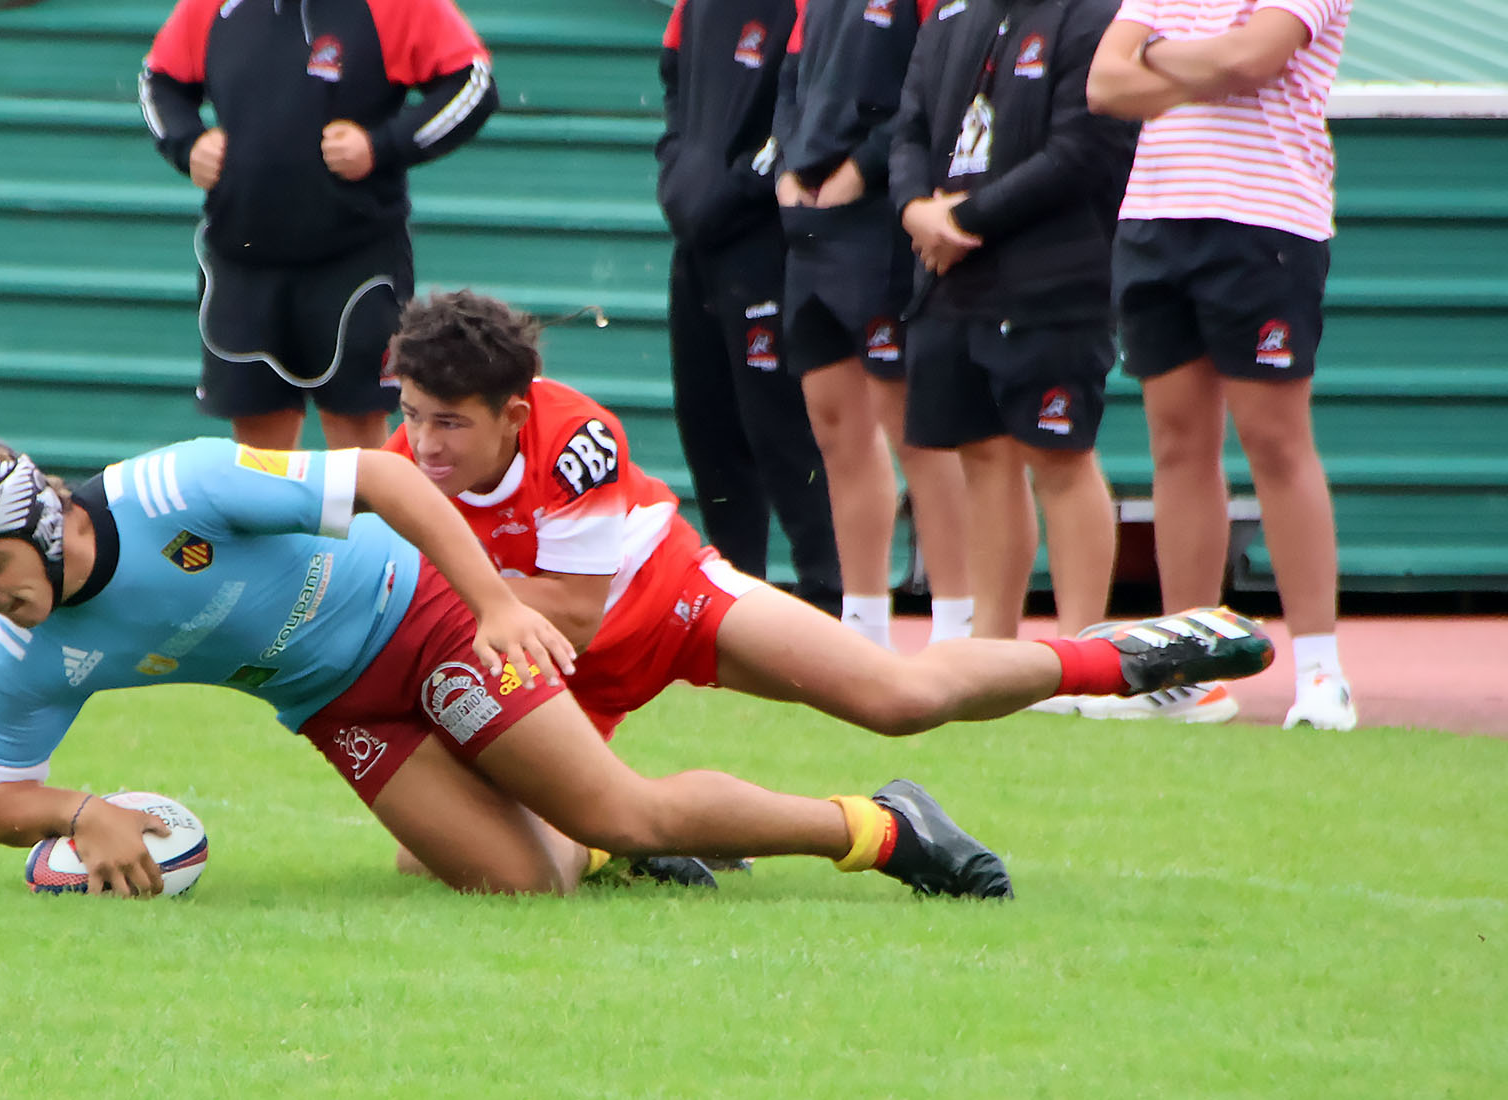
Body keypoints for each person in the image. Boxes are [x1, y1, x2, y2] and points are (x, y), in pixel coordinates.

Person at [0, 431, 1265, 900]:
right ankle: (615, 854)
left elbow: (382, 473)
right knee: (520, 881)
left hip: (423, 625)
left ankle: (874, 827)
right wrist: (79, 810)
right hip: (330, 707)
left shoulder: (177, 489)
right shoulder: (29, 650)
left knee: (616, 802)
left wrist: (489, 599)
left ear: (44, 519)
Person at [381, 290, 1271, 748]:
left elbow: (573, 610)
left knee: (899, 699)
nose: (422, 444)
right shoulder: (398, 465)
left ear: (514, 411)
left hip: (668, 602)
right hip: (562, 670)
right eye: (413, 414)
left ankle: (1132, 654)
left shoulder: (574, 432)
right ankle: (644, 844)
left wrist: (435, 585)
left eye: (448, 422)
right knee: (458, 860)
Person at [1084, 0, 1356, 730]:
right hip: (1155, 221)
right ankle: (1188, 669)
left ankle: (1322, 672)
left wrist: (1162, 53)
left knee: (1275, 442)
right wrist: (1202, 62)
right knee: (1176, 444)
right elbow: (1105, 85)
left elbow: (1249, 60)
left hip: (1268, 222)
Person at [887, 0, 1140, 654]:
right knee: (983, 457)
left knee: (1060, 456)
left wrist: (967, 218)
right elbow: (908, 129)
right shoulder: (949, 17)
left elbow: (1084, 148)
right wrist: (916, 209)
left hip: (1051, 281)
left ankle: (1080, 649)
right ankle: (993, 653)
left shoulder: (1093, 16)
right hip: (951, 278)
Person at [138, 0, 498, 452]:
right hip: (241, 260)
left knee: (357, 442)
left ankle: (360, 526)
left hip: (355, 261)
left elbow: (473, 83)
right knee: (258, 451)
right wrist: (188, 144)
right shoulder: (211, 7)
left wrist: (382, 145)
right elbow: (158, 80)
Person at [771, 0, 975, 651]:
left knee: (917, 430)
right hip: (811, 229)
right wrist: (785, 169)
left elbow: (938, 87)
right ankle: (863, 626)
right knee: (834, 423)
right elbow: (790, 82)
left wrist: (862, 168)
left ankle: (956, 625)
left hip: (884, 224)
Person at [655, 0, 842, 610]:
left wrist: (737, 186)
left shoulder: (804, 9)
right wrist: (679, 174)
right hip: (697, 245)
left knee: (780, 425)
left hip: (768, 242)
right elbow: (674, 90)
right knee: (706, 421)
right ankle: (735, 595)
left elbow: (799, 109)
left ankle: (826, 595)